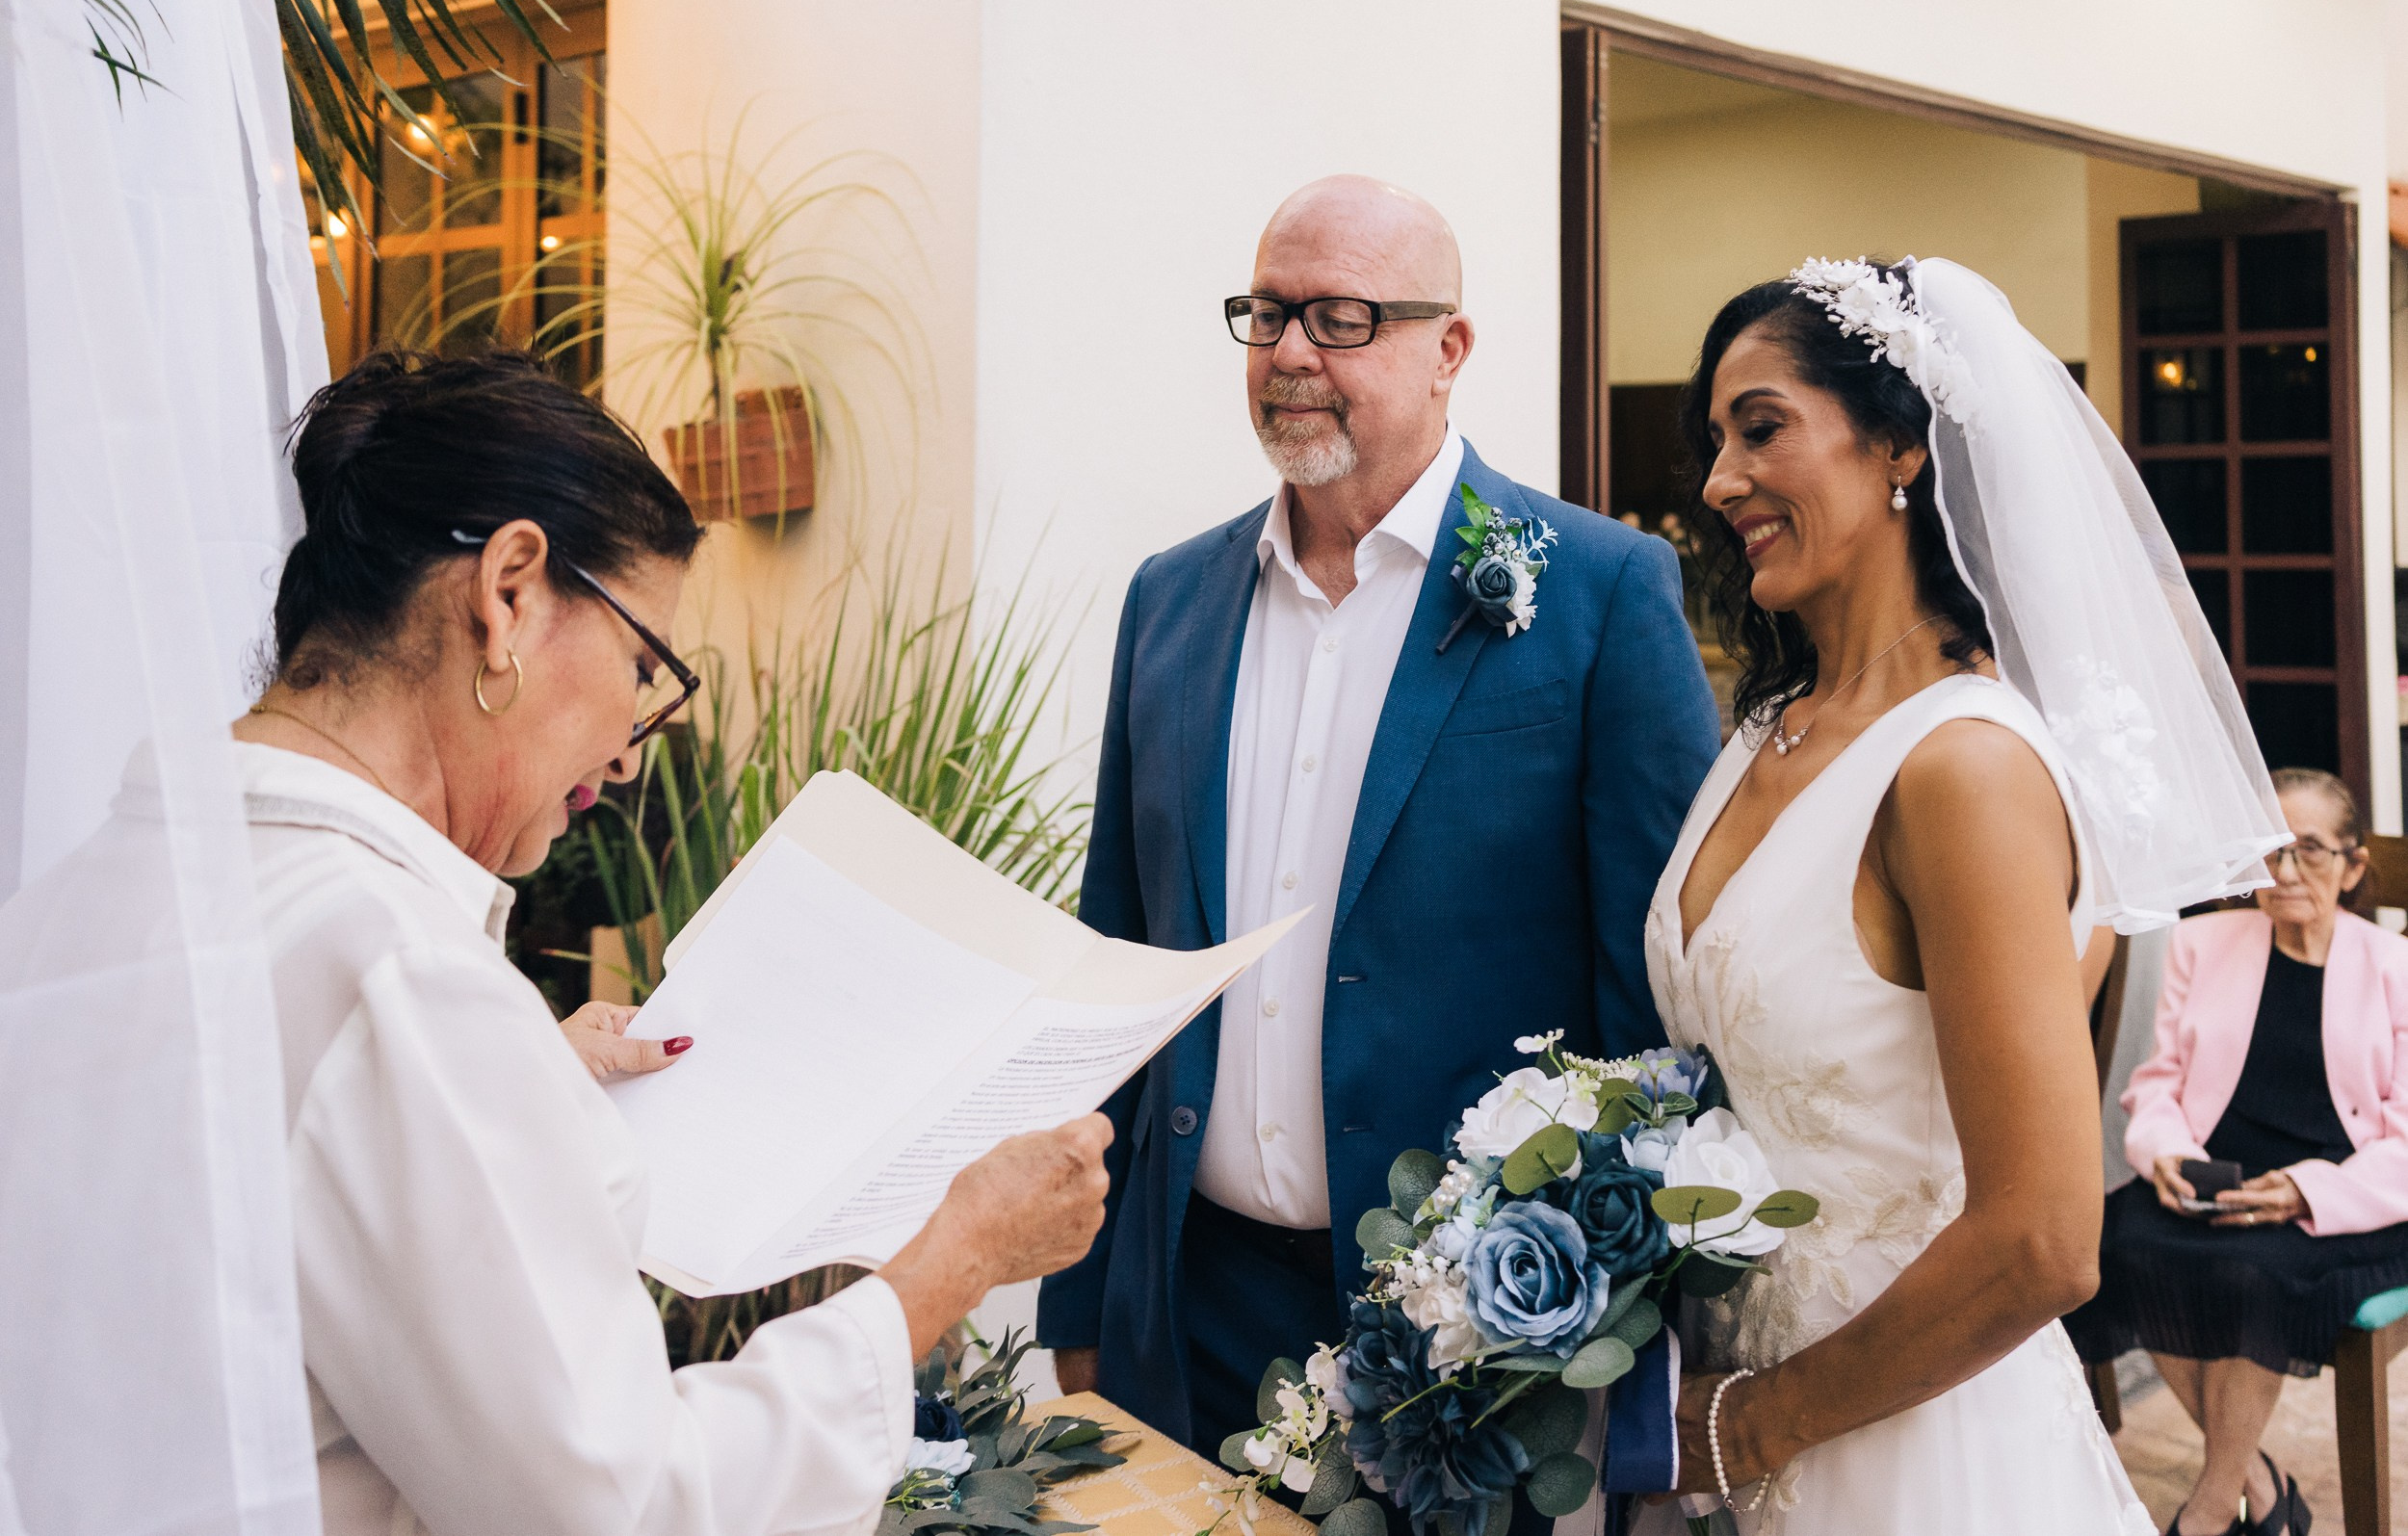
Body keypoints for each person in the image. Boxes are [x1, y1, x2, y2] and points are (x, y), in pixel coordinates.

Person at [0, 350, 1112, 1536]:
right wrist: (948, 1263)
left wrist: (519, 1083)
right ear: (510, 590)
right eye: (645, 666)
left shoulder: (84, 893)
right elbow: (618, 1505)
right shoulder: (400, 978)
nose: (634, 748)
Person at [1035, 172, 1723, 1503]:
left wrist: (1601, 1324)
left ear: (1449, 348)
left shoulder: (1594, 592)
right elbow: (1113, 952)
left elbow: (1657, 1007)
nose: (1290, 352)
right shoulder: (1170, 600)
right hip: (1194, 1300)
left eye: (1340, 317)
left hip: (1481, 1336)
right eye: (1267, 314)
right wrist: (1082, 1291)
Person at [1636, 258, 2284, 1535]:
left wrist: (1746, 1421)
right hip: (1720, 1402)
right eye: (1714, 441)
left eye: (1759, 426)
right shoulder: (1765, 729)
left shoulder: (1966, 767)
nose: (1718, 482)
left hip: (1907, 1438)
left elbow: (2044, 1237)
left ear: (1898, 444)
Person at [2069, 768, 2408, 1536]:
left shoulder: (2395, 968)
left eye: (2310, 852)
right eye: (2270, 853)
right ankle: (2258, 1480)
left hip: (2342, 1197)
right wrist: (2165, 1152)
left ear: (2353, 866)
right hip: (2215, 1177)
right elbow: (2157, 1085)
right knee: (2108, 1246)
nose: (2285, 874)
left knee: (2253, 1275)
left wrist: (2305, 1190)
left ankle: (2214, 1507)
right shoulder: (2200, 942)